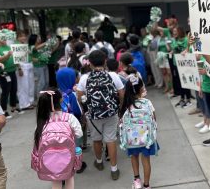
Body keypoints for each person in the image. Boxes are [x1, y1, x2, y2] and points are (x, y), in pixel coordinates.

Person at [76, 50, 124, 180]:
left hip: (93, 115)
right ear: (105, 62)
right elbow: (121, 94)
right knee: (111, 139)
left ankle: (99, 163)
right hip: (111, 113)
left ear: (89, 63)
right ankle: (114, 170)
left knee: (96, 139)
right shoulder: (113, 76)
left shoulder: (85, 78)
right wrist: (118, 108)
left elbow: (80, 97)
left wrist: (85, 111)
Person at [32, 89, 82, 189]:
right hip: (68, 154)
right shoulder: (69, 118)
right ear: (60, 100)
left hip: (49, 158)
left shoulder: (42, 121)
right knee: (69, 177)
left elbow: (37, 138)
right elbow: (79, 134)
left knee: (55, 180)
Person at [119, 71, 158, 189]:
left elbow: (121, 122)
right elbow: (154, 118)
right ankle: (146, 185)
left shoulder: (126, 105)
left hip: (132, 138)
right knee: (146, 160)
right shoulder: (147, 102)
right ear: (142, 89)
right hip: (146, 138)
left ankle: (136, 180)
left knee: (134, 157)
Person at [0, 29, 21, 118]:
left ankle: (13, 107)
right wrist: (8, 55)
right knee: (5, 92)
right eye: (3, 38)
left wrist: (19, 65)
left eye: (5, 38)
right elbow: (0, 59)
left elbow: (15, 58)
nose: (5, 40)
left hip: (12, 71)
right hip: (4, 73)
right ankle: (3, 111)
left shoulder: (8, 47)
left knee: (14, 89)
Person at [16, 31, 35, 110]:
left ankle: (30, 102)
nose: (23, 38)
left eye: (24, 36)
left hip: (29, 66)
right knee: (23, 87)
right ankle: (24, 104)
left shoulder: (25, 45)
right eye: (21, 36)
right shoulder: (16, 46)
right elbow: (16, 59)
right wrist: (19, 68)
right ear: (17, 38)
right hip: (22, 67)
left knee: (30, 85)